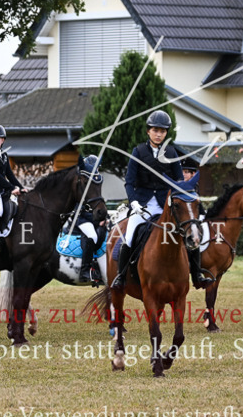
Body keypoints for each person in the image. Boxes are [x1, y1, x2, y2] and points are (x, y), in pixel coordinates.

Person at [112, 110, 183, 289]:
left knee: (186, 231)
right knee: (129, 237)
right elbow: (129, 182)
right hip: (142, 205)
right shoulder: (138, 151)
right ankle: (121, 276)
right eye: (155, 130)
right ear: (148, 131)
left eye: (162, 131)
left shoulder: (172, 152)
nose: (159, 134)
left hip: (165, 205)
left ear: (166, 133)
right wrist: (134, 202)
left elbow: (180, 181)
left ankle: (195, 272)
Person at [74, 154, 107, 283]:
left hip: (93, 219)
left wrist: (105, 218)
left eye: (98, 169)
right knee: (92, 236)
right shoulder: (81, 184)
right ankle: (85, 271)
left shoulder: (94, 184)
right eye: (96, 169)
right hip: (82, 218)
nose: (98, 172)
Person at [181, 160, 214, 286]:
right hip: (178, 220)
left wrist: (202, 216)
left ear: (192, 174)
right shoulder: (175, 185)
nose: (184, 174)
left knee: (195, 241)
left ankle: (197, 275)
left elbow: (198, 207)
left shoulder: (194, 187)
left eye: (187, 172)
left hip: (191, 219)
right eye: (182, 172)